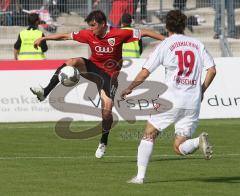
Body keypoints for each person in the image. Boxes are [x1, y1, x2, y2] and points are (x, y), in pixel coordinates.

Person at [30, 10, 165, 159]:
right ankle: (45, 92)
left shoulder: (119, 33)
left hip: (109, 76)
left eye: (93, 25)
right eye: (90, 26)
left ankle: (103, 141)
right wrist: (44, 39)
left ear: (103, 24)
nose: (91, 29)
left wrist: (166, 41)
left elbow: (145, 32)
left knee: (107, 111)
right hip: (92, 69)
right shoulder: (89, 34)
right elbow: (64, 36)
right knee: (72, 62)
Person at [121, 10, 216, 184]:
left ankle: (140, 177)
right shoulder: (197, 44)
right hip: (192, 102)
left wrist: (129, 88)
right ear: (184, 25)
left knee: (149, 134)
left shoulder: (165, 45)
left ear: (166, 26)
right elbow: (212, 70)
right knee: (179, 147)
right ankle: (197, 141)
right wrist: (202, 90)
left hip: (171, 99)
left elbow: (144, 73)